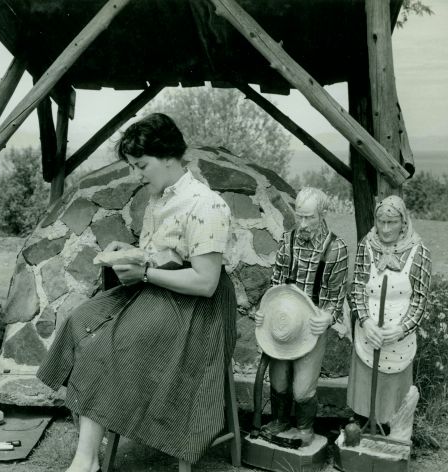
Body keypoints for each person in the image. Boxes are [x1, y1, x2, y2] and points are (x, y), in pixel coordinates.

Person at [37, 113, 237, 471]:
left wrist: (144, 270)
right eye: (133, 166)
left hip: (196, 311)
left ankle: (85, 460)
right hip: (159, 290)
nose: (139, 174)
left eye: (142, 165)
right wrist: (129, 253)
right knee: (80, 321)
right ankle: (91, 446)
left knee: (107, 343)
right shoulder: (158, 198)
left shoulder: (206, 203)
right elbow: (160, 254)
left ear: (168, 157)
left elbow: (206, 283)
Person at [255, 187, 348, 446]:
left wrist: (328, 317)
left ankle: (305, 430)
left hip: (311, 325)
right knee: (279, 380)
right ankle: (280, 421)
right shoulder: (288, 240)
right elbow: (275, 285)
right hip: (283, 322)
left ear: (323, 214)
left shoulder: (336, 249)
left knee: (302, 388)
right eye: (300, 217)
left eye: (310, 218)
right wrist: (264, 313)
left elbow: (336, 296)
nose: (303, 224)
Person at [348, 196, 431, 427]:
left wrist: (401, 329)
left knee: (392, 399)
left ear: (403, 222)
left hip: (398, 338)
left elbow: (420, 301)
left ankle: (390, 432)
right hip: (369, 334)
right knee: (364, 393)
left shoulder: (419, 252)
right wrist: (365, 322)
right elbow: (357, 288)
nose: (385, 229)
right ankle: (361, 430)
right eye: (381, 221)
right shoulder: (367, 245)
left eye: (391, 222)